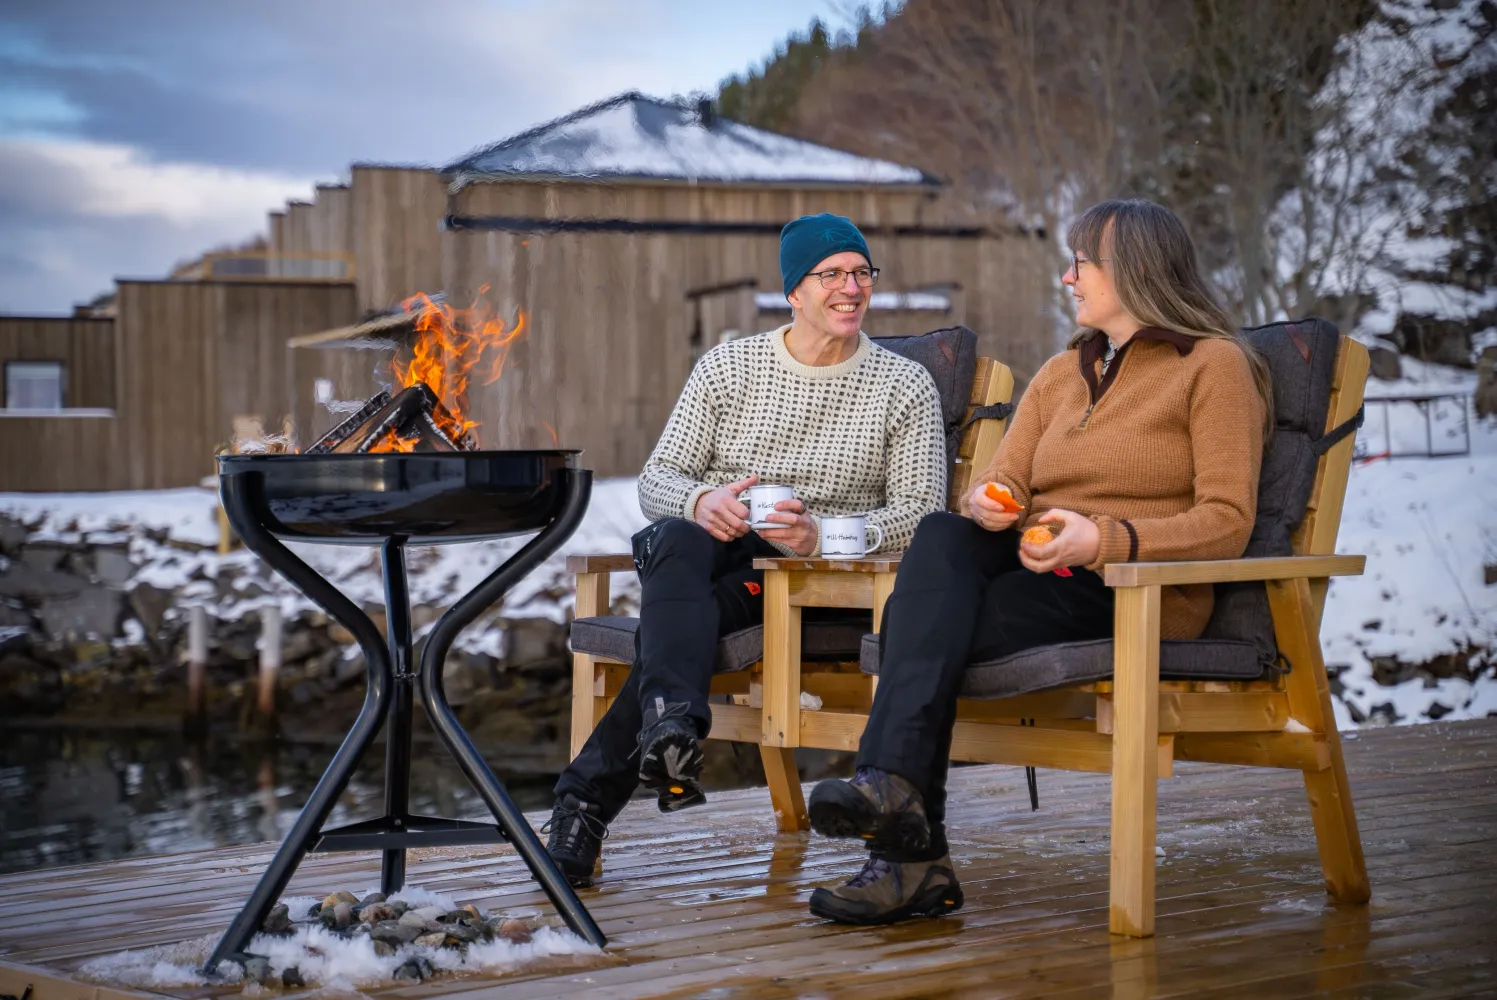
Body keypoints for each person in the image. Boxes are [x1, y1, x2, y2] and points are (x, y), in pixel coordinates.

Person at [804, 198, 1274, 925]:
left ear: (1136, 271)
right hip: (1032, 561)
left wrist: (1101, 539)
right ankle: (894, 799)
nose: (1066, 278)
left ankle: (905, 848)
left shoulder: (1213, 368)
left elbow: (1227, 522)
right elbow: (1006, 480)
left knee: (915, 624)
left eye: (1080, 264)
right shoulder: (1061, 371)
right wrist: (993, 500)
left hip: (1127, 588)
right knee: (941, 532)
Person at [544, 213, 949, 886]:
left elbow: (922, 514)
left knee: (675, 624)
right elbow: (658, 479)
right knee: (675, 534)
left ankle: (598, 786)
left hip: (817, 584)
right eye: (831, 275)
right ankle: (664, 726)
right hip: (711, 553)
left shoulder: (900, 386)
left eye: (861, 273)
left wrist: (822, 535)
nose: (851, 288)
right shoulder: (730, 368)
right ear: (794, 290)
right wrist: (702, 501)